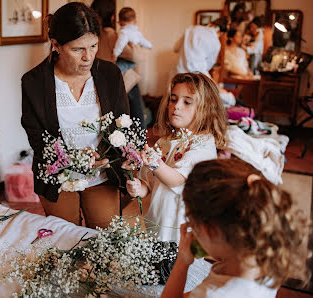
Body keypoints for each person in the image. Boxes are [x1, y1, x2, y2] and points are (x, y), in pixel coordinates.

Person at [21, 2, 129, 229]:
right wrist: (71, 159)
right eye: (78, 49)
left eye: (93, 46)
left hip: (102, 172)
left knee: (105, 236)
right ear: (56, 45)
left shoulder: (110, 75)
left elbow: (122, 125)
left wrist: (109, 158)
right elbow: (36, 135)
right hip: (58, 175)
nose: (88, 57)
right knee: (66, 237)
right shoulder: (33, 82)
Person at [161, 158, 311, 297]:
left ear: (209, 230)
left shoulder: (212, 294)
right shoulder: (267, 253)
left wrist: (181, 262)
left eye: (192, 224)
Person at [126, 73, 228, 241]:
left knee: (178, 263)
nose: (177, 106)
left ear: (206, 108)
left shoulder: (202, 143)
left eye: (187, 102)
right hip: (159, 220)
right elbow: (148, 183)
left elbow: (178, 179)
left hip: (181, 226)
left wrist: (155, 163)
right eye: (173, 99)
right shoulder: (164, 142)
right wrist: (138, 188)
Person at [91, 0, 147, 129]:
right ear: (112, 17)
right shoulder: (113, 36)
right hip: (124, 79)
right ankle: (141, 144)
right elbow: (135, 56)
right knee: (137, 116)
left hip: (104, 81)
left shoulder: (94, 37)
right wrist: (133, 42)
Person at [113, 7, 152, 73]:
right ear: (135, 21)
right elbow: (143, 41)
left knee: (116, 70)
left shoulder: (124, 32)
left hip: (127, 59)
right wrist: (149, 45)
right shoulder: (137, 32)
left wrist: (115, 54)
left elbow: (120, 43)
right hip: (135, 61)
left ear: (119, 22)